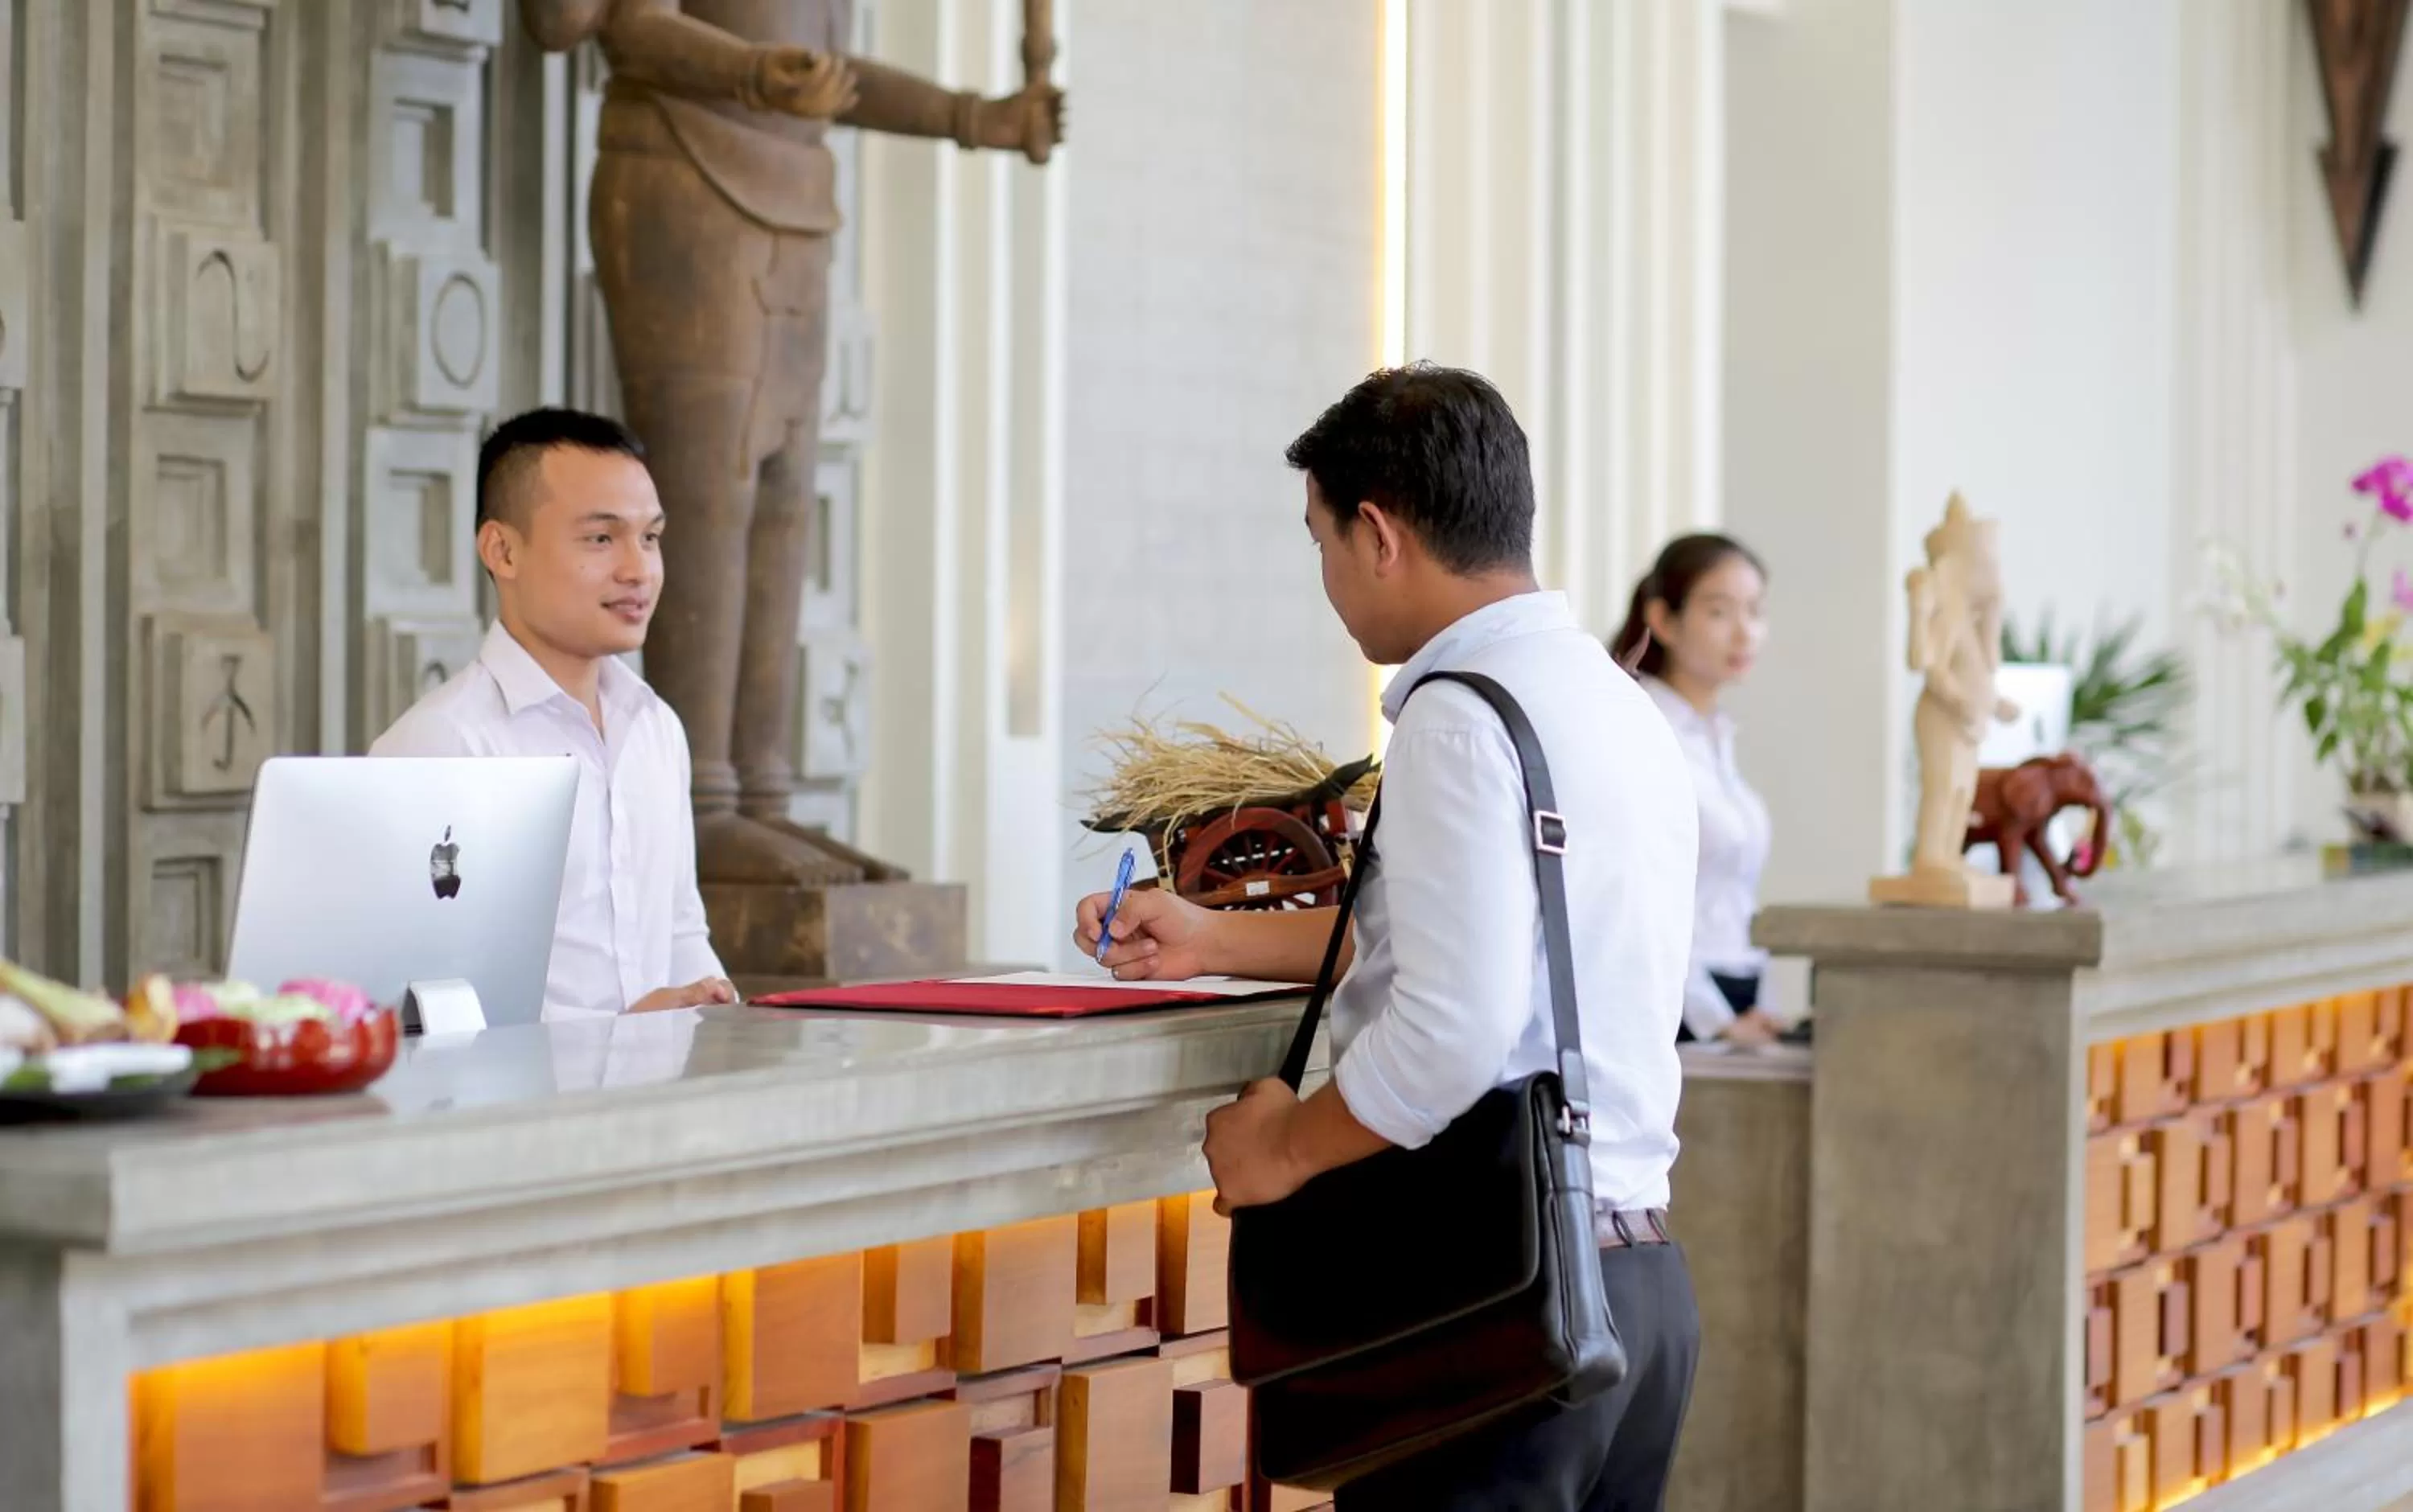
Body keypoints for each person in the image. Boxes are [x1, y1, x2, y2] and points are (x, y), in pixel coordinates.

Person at [1074, 365, 1702, 1510]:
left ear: (1377, 533)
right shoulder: (1611, 705)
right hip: (1638, 1289)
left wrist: (1286, 1149)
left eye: (1317, 541)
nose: (1326, 579)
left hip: (1497, 1302)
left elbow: (1452, 1035)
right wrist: (1212, 937)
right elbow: (1465, 944)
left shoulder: (1462, 717)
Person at [372, 408, 737, 1022]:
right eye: (601, 538)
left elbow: (679, 934)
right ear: (503, 550)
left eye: (650, 538)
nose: (637, 569)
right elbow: (424, 1006)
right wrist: (618, 1032)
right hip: (525, 1114)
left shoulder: (655, 728)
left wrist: (721, 1016)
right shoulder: (443, 745)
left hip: (662, 1106)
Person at [1614, 535, 1783, 1046]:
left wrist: (1764, 1005)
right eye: (1719, 611)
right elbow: (1636, 899)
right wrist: (1715, 1021)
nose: (1745, 632)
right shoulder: (1639, 729)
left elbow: (1736, 896)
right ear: (1663, 620)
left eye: (1755, 611)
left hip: (1736, 993)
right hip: (1677, 1006)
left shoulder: (1715, 735)